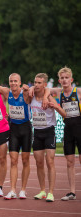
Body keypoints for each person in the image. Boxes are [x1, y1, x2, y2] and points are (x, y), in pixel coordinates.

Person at [23, 73, 66, 202]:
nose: (36, 85)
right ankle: (42, 190)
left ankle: (51, 192)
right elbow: (23, 88)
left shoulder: (50, 98)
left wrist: (56, 107)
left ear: (45, 85)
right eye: (35, 82)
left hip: (49, 132)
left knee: (50, 161)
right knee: (39, 162)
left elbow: (64, 114)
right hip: (37, 132)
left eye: (39, 83)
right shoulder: (31, 96)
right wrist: (28, 88)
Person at [0, 73, 32, 200]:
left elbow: (32, 95)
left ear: (19, 82)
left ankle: (23, 190)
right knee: (13, 160)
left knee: (25, 160)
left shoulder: (25, 93)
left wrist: (29, 89)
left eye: (15, 81)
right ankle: (13, 190)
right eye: (11, 81)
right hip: (13, 128)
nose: (13, 83)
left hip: (26, 129)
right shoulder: (7, 93)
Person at [46, 67, 81, 201]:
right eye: (62, 78)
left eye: (67, 78)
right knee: (70, 161)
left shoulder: (77, 92)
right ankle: (72, 192)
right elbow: (45, 90)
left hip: (80, 128)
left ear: (71, 79)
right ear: (59, 80)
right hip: (68, 130)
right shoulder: (59, 93)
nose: (65, 80)